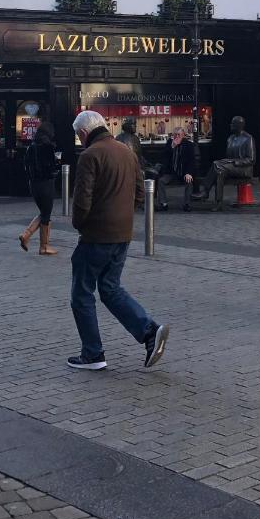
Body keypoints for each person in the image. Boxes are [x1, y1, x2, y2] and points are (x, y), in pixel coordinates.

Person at [67, 110, 169, 371]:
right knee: (110, 288)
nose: (79, 140)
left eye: (78, 135)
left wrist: (81, 224)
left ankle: (93, 353)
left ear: (83, 132)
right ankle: (149, 332)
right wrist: (124, 215)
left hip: (96, 235)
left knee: (82, 293)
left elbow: (82, 200)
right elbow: (138, 191)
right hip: (122, 233)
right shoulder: (127, 152)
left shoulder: (90, 156)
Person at [19, 121, 60, 255]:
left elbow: (25, 165)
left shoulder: (31, 147)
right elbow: (51, 166)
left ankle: (26, 235)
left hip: (34, 184)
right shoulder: (47, 146)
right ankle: (44, 246)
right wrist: (56, 166)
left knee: (43, 212)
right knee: (46, 213)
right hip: (46, 183)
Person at [197, 115, 255, 209]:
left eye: (233, 123)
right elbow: (229, 156)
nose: (230, 125)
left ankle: (205, 191)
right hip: (229, 166)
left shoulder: (248, 139)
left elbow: (251, 159)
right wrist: (229, 162)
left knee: (216, 164)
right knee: (219, 172)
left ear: (239, 125)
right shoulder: (230, 138)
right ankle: (218, 203)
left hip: (243, 168)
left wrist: (235, 162)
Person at [115, 117, 164, 209]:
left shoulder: (135, 138)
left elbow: (139, 155)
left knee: (155, 173)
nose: (135, 127)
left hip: (138, 165)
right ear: (127, 126)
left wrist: (146, 163)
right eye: (134, 125)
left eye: (135, 125)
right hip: (128, 167)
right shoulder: (120, 138)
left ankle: (150, 200)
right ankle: (144, 200)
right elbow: (125, 156)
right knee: (148, 174)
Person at [158, 127, 196, 212]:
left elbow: (191, 161)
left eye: (179, 135)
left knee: (189, 181)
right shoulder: (169, 143)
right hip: (171, 172)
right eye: (175, 135)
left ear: (183, 135)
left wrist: (189, 173)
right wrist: (172, 147)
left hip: (184, 172)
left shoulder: (188, 145)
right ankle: (163, 204)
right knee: (161, 181)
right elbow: (164, 159)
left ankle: (187, 204)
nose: (177, 137)